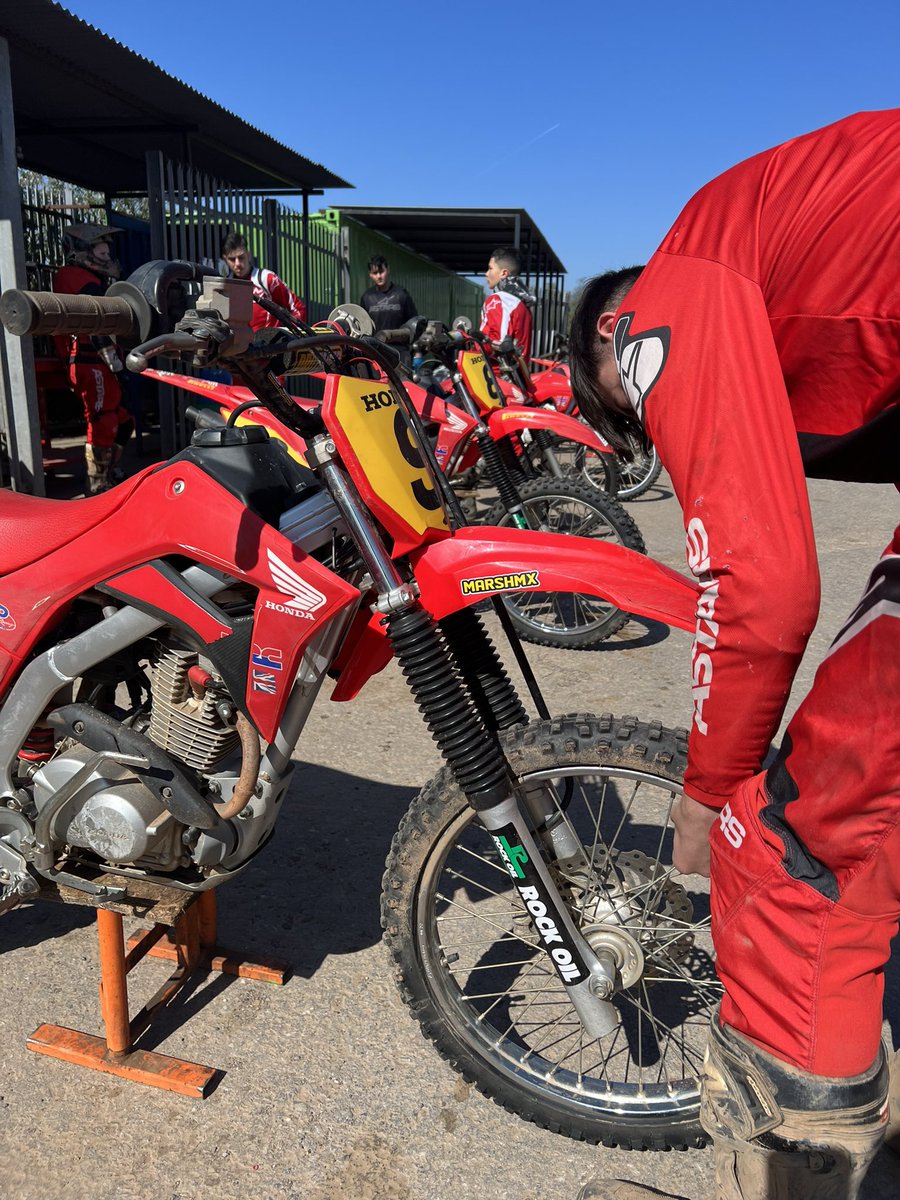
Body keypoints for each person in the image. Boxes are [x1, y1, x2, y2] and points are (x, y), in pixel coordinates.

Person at [568, 109, 899, 1200]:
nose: (652, 432)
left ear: (615, 344)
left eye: (631, 415)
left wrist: (709, 796)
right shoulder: (798, 233)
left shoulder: (676, 281)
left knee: (800, 840)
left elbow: (760, 591)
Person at [53, 225, 134, 495]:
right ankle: (96, 485)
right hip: (90, 360)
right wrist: (117, 365)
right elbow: (99, 325)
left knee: (124, 422)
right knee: (103, 420)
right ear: (81, 252)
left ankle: (110, 473)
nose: (106, 256)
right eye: (101, 251)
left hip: (98, 360)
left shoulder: (87, 278)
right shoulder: (73, 277)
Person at [221, 231, 308, 331]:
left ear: (249, 255)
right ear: (225, 259)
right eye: (232, 259)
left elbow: (298, 308)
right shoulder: (225, 286)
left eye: (241, 257)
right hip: (240, 344)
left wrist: (289, 335)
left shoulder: (267, 279)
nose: (238, 264)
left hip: (271, 344)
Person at [480, 245, 535, 356]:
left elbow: (498, 344)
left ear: (504, 273)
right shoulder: (523, 303)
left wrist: (471, 342)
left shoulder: (497, 300)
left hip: (493, 372)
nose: (486, 273)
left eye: (490, 268)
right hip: (519, 372)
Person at [358, 254, 418, 332]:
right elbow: (363, 325)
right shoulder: (367, 297)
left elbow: (413, 321)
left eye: (381, 271)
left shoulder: (401, 294)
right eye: (375, 273)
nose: (379, 276)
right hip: (375, 343)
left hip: (399, 343)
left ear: (388, 269)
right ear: (370, 274)